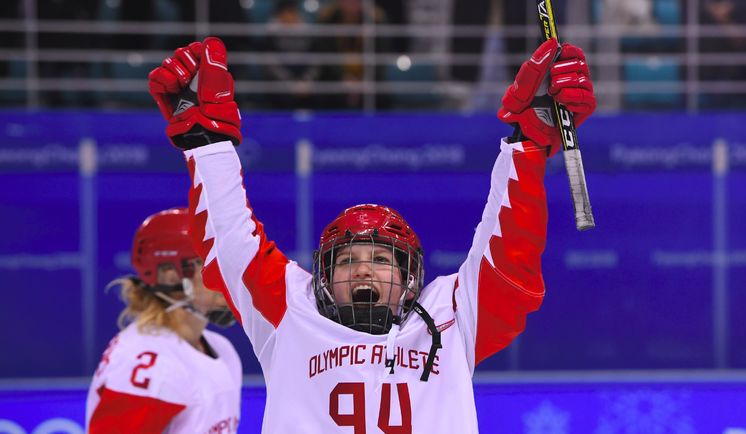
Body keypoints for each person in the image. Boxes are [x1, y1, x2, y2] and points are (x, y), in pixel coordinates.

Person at [147, 36, 595, 432]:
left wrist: (528, 143)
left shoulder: (452, 317)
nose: (363, 269)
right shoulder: (292, 313)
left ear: (408, 278)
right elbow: (231, 243)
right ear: (323, 277)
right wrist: (207, 144)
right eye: (347, 260)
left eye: (381, 260)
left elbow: (506, 259)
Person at [85, 208, 242, 433]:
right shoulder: (148, 363)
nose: (227, 275)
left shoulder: (223, 350)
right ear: (171, 275)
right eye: (212, 263)